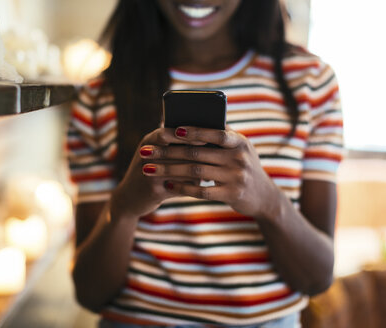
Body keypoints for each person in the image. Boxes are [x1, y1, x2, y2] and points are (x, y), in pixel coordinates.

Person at [67, 0, 343, 327]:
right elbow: (89, 292)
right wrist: (125, 207)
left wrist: (268, 202)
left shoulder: (310, 82)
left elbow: (317, 278)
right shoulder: (99, 97)